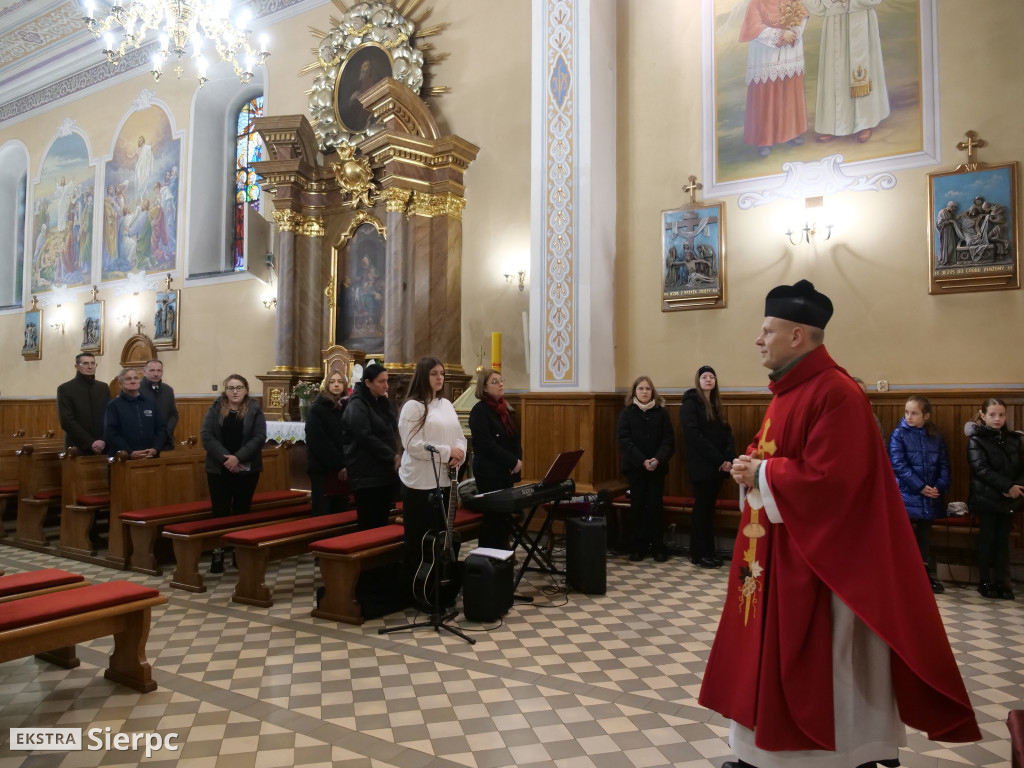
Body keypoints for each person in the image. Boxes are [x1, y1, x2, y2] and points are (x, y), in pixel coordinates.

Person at [700, 279, 979, 768]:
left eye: (767, 330)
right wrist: (754, 470)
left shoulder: (836, 394)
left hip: (825, 567)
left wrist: (762, 472)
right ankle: (762, 750)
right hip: (779, 557)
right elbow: (782, 461)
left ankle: (831, 756)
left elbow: (834, 483)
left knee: (827, 666)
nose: (758, 339)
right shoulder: (789, 392)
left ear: (797, 335)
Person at [398, 356, 466, 606]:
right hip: (420, 484)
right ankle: (415, 593)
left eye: (442, 373)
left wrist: (459, 453)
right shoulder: (413, 407)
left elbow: (460, 437)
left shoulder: (446, 404)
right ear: (423, 376)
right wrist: (447, 452)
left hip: (445, 481)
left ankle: (438, 589)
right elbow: (412, 445)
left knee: (441, 540)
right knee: (420, 541)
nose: (440, 378)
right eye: (434, 373)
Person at [200, 375, 267, 574]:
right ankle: (218, 553)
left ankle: (240, 554)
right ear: (225, 390)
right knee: (219, 512)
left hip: (246, 469)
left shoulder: (254, 408)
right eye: (230, 388)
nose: (234, 391)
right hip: (218, 469)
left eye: (238, 388)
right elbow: (206, 435)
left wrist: (238, 458)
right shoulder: (215, 407)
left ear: (246, 389)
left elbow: (259, 437)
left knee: (241, 510)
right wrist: (226, 459)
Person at [887, 395, 951, 594]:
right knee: (905, 536)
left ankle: (924, 573)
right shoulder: (898, 434)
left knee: (924, 535)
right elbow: (898, 464)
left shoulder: (936, 437)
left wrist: (937, 487)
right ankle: (905, 575)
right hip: (907, 495)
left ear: (926, 415)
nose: (909, 416)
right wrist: (920, 486)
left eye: (914, 413)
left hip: (930, 496)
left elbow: (944, 466)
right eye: (907, 412)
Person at [805, 0, 890, 144]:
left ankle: (864, 123)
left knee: (858, 72)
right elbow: (817, 6)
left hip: (859, 18)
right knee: (835, 74)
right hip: (834, 21)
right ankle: (834, 125)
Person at [966, 398, 1023, 600]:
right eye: (992, 415)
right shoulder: (976, 440)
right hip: (986, 497)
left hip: (1010, 498)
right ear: (983, 416)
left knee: (1002, 542)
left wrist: (1016, 487)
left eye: (1001, 415)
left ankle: (1002, 582)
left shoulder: (1015, 439)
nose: (997, 418)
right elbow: (980, 469)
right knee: (987, 540)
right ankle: (985, 581)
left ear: (1006, 416)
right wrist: (1006, 486)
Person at [679, 365, 735, 569]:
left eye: (712, 377)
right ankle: (699, 553)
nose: (709, 380)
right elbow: (695, 436)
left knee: (709, 510)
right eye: (705, 377)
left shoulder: (715, 403)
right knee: (701, 511)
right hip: (703, 466)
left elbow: (726, 433)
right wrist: (719, 460)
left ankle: (709, 551)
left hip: (718, 466)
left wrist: (730, 458)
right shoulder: (690, 404)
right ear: (698, 380)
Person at [739, 0, 809, 157]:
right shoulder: (757, 2)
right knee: (766, 95)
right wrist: (779, 35)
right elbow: (754, 27)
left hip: (790, 50)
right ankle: (763, 139)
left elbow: (802, 16)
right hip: (766, 54)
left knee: (789, 91)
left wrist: (794, 33)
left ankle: (790, 133)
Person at [616, 375, 675, 562]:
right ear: (634, 391)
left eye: (648, 389)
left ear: (653, 392)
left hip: (657, 467)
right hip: (636, 468)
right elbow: (625, 441)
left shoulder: (661, 413)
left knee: (655, 506)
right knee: (638, 506)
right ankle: (638, 546)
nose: (644, 392)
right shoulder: (627, 413)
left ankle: (657, 546)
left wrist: (657, 459)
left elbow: (668, 440)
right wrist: (642, 461)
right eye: (641, 388)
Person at [468, 367, 523, 549]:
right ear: (484, 388)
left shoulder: (503, 409)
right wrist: (512, 461)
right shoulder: (479, 411)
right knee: (493, 517)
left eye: (501, 380)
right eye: (495, 381)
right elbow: (487, 445)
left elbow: (514, 438)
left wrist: (517, 461)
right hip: (489, 472)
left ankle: (503, 554)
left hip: (505, 471)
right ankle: (490, 557)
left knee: (504, 517)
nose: (500, 384)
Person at [343, 363, 401, 530]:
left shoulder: (382, 403)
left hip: (384, 472)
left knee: (382, 520)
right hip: (365, 473)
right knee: (369, 521)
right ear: (367, 383)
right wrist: (393, 456)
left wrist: (398, 450)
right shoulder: (357, 405)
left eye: (387, 381)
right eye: (381, 381)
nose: (386, 385)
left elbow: (392, 431)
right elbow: (365, 437)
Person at [305, 371, 349, 518]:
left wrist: (346, 464)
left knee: (341, 511)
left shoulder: (347, 407)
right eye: (332, 381)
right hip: (322, 469)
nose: (336, 384)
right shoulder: (317, 409)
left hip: (344, 468)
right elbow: (319, 442)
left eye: (340, 381)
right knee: (323, 511)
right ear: (326, 385)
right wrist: (339, 464)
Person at [57, 352, 111, 453]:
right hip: (77, 447)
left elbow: (109, 416)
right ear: (77, 366)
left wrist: (103, 440)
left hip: (102, 446)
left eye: (93, 363)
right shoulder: (65, 389)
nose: (90, 367)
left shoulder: (103, 387)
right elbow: (67, 421)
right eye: (85, 363)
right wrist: (90, 442)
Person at [104, 368, 164, 458]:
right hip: (124, 458)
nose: (133, 381)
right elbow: (111, 433)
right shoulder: (114, 405)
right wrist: (129, 452)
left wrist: (155, 448)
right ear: (120, 384)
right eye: (128, 379)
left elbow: (161, 428)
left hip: (150, 456)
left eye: (136, 378)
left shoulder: (150, 403)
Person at [141, 359, 178, 450]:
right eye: (152, 370)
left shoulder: (168, 390)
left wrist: (166, 431)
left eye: (159, 370)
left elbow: (173, 414)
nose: (156, 374)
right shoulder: (137, 389)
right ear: (144, 372)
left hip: (165, 441)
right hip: (143, 442)